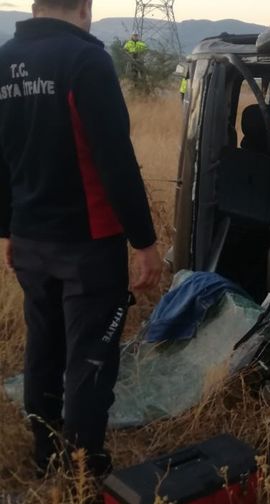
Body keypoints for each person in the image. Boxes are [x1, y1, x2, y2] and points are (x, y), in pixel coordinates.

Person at [0, 0, 162, 479]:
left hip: (30, 240)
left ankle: (47, 457)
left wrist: (9, 228)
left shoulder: (5, 60)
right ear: (85, 8)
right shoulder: (85, 61)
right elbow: (115, 160)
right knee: (90, 360)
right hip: (88, 248)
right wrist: (145, 242)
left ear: (35, 5)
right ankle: (82, 471)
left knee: (43, 348)